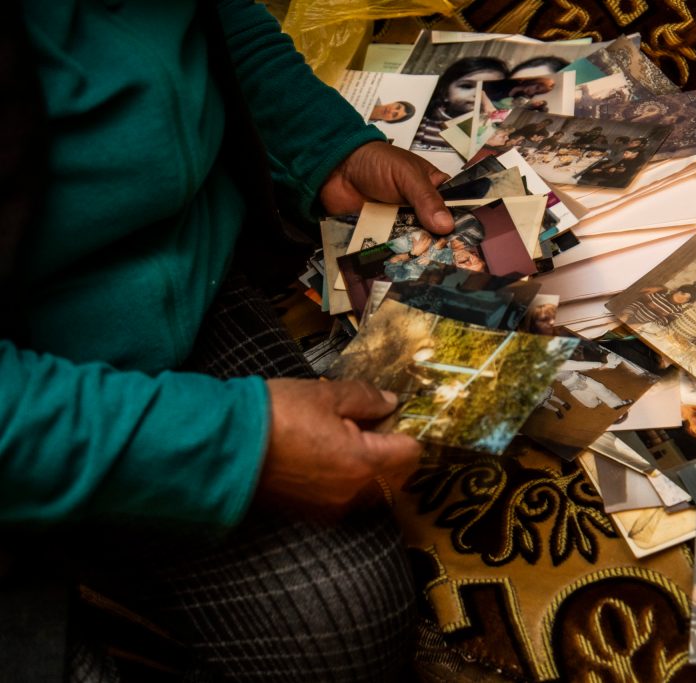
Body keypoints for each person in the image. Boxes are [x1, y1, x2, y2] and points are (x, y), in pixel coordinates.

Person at [3, 2, 456, 680]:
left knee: (343, 620)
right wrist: (236, 444)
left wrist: (325, 147)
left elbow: (212, 20)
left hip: (191, 284)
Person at [413, 56, 509, 150]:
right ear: (446, 93)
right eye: (466, 86)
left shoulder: (487, 130)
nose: (477, 94)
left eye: (487, 89)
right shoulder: (421, 123)